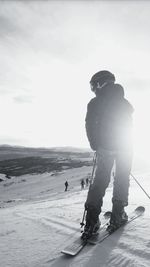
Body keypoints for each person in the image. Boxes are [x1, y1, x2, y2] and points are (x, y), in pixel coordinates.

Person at [83, 70, 134, 237]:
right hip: (125, 146)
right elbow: (129, 127)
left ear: (100, 83)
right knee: (121, 179)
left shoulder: (95, 103)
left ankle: (91, 222)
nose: (93, 89)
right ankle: (117, 216)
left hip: (105, 147)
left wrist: (95, 144)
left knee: (99, 181)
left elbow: (89, 125)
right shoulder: (125, 103)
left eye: (93, 86)